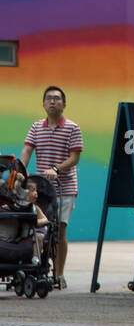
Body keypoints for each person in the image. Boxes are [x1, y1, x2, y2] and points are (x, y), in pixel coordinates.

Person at [19, 87, 82, 289]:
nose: (52, 102)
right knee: (43, 228)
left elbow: (74, 157)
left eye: (57, 99)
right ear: (43, 104)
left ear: (64, 104)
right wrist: (20, 171)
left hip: (65, 186)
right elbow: (27, 150)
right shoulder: (36, 127)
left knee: (60, 229)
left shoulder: (73, 127)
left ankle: (60, 273)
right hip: (42, 189)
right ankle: (43, 266)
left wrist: (56, 168)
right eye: (49, 99)